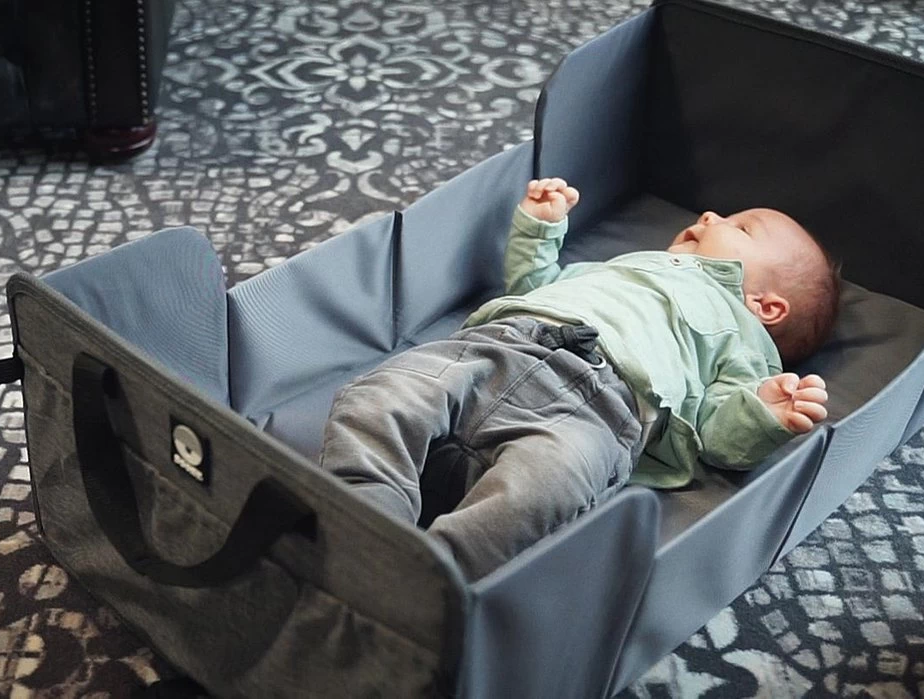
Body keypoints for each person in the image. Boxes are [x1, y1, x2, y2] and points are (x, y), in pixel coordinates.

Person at [319, 178, 840, 581]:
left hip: (605, 409)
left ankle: (433, 577)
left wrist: (763, 414)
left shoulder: (743, 339)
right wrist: (540, 230)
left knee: (550, 486)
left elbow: (718, 436)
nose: (709, 216)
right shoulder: (629, 266)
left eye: (741, 228)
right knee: (383, 395)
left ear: (766, 306)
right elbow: (536, 285)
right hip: (503, 345)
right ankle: (365, 519)